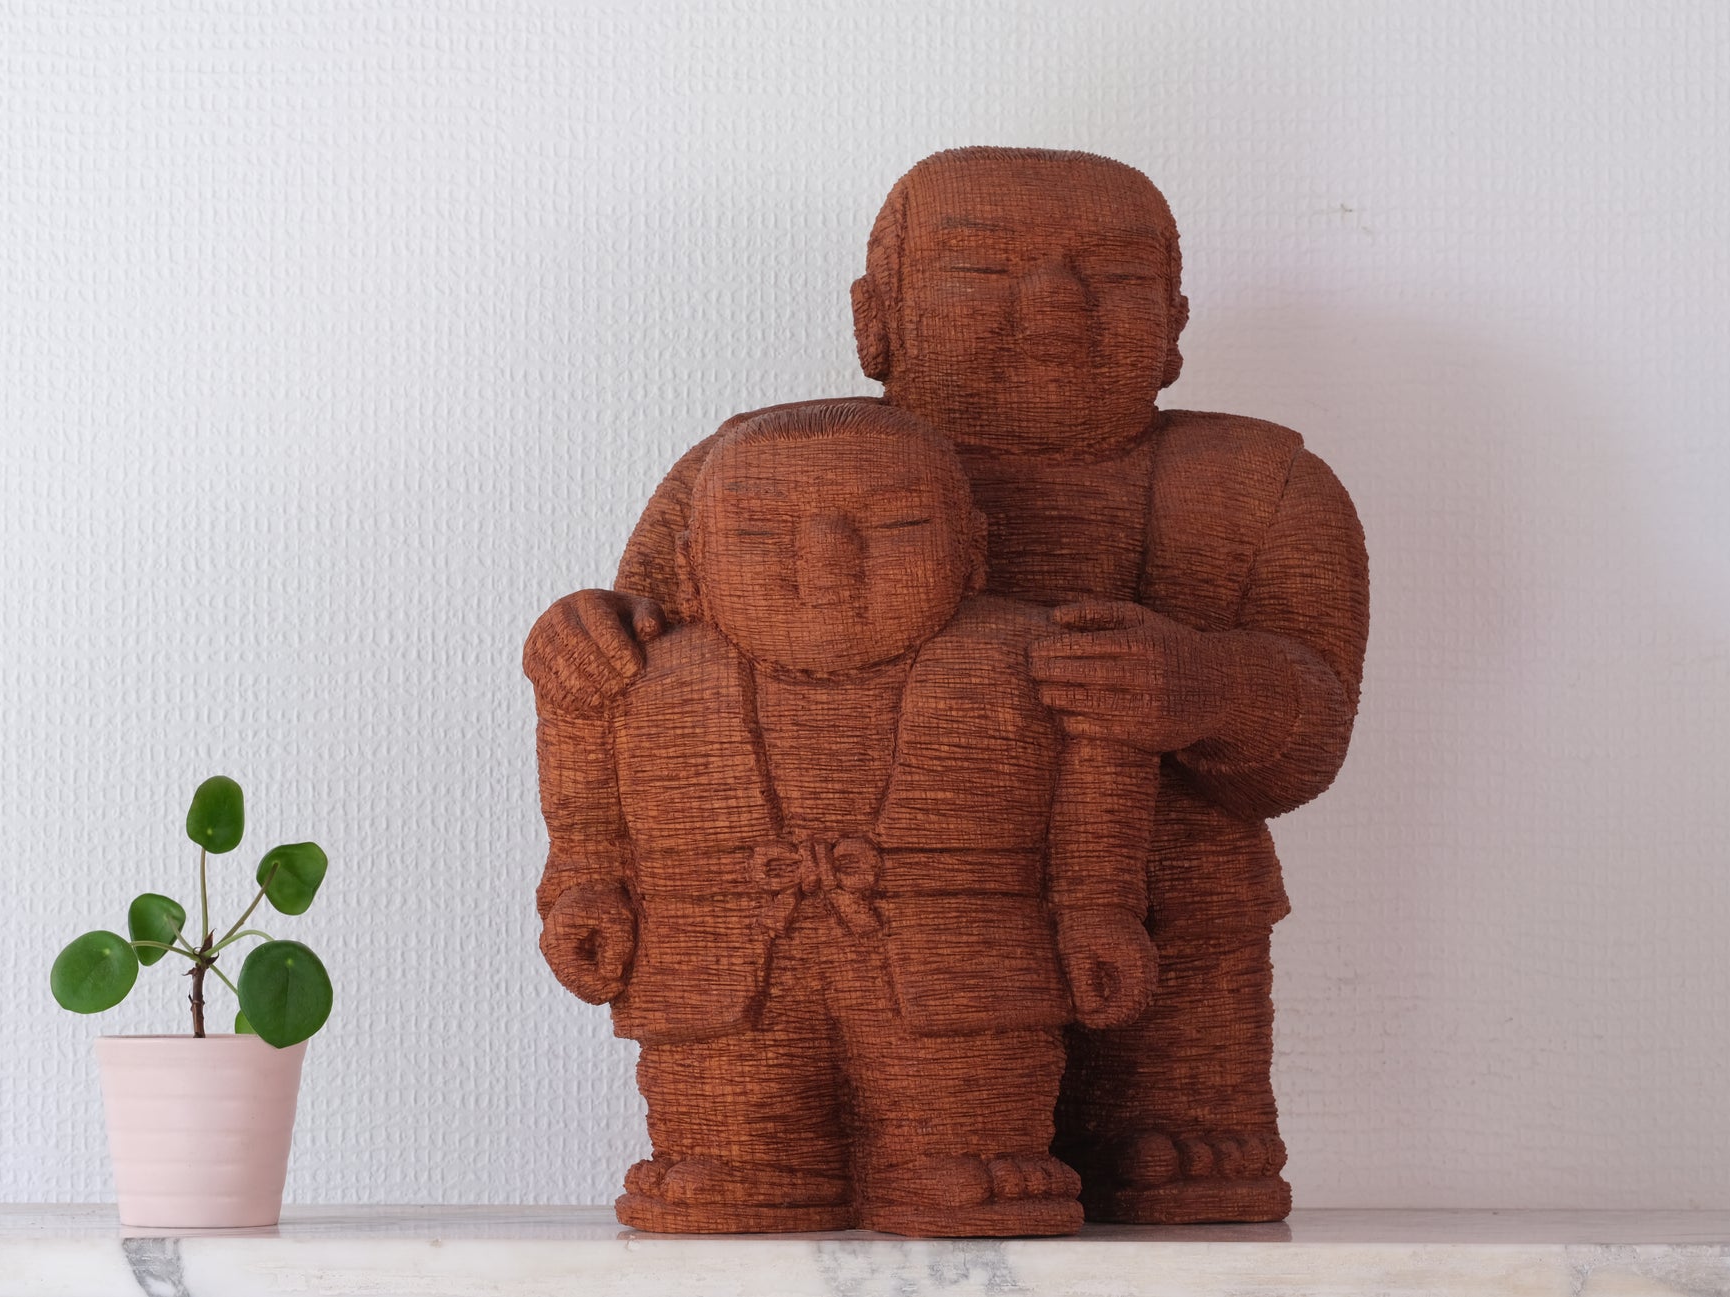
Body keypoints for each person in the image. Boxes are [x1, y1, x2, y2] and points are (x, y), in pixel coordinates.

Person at [530, 147, 1370, 1223]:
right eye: (981, 269)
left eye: (1114, 274)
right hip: (838, 916)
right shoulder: (753, 463)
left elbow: (1309, 735)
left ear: (1173, 324)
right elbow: (646, 677)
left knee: (1188, 951)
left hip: (1153, 912)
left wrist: (1207, 688)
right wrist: (585, 637)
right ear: (874, 320)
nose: (1054, 300)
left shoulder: (1256, 489)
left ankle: (1166, 1107)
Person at [528, 401, 1160, 1236]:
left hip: (963, 956)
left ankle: (970, 1152)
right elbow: (586, 807)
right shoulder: (641, 672)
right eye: (760, 532)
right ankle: (739, 1158)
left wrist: (1097, 910)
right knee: (731, 1095)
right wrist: (584, 889)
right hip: (714, 961)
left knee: (962, 1090)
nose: (826, 561)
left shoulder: (1036, 657)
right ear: (690, 566)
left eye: (896, 524)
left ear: (973, 551)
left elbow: (1098, 801)